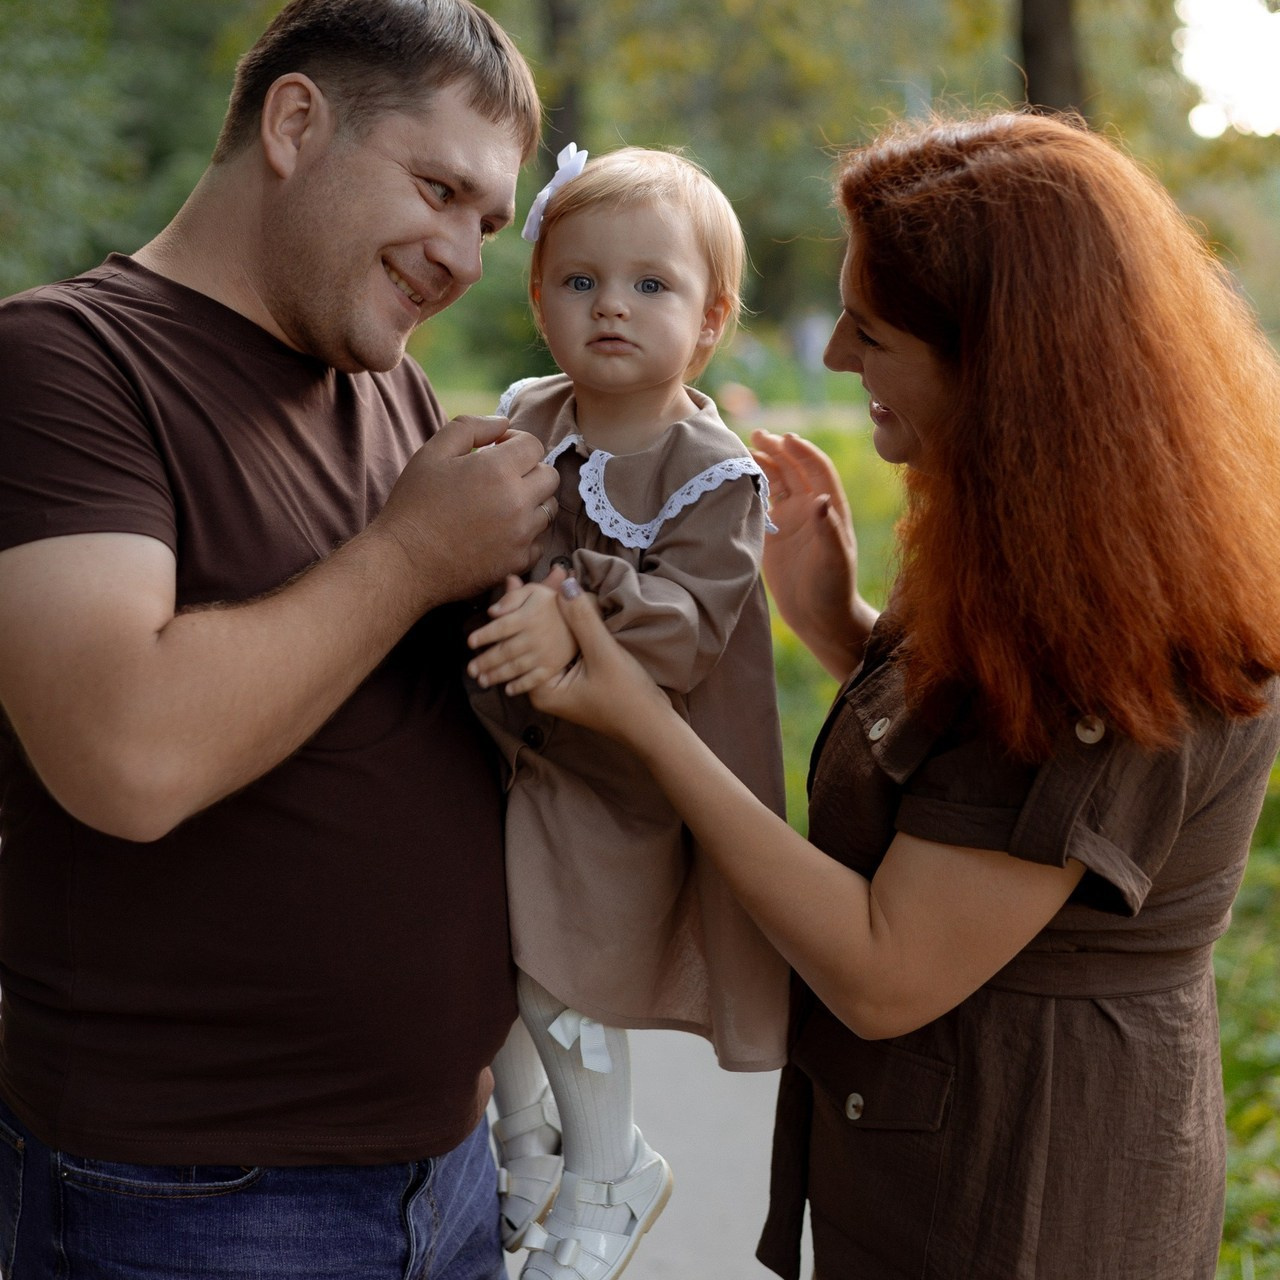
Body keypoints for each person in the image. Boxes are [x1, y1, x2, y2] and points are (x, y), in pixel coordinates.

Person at [520, 110, 1280, 1279]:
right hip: (924, 1163)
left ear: (1000, 360)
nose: (832, 361)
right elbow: (987, 766)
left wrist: (642, 719)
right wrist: (840, 626)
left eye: (869, 334)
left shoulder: (1114, 620)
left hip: (1023, 1200)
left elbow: (883, 969)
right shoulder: (1031, 527)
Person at [0, 2, 560, 1277]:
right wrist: (413, 553)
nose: (465, 257)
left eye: (486, 221)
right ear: (296, 123)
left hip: (446, 1176)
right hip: (191, 1200)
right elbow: (124, 752)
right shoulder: (65, 360)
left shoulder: (387, 387)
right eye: (438, 188)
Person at [464, 145, 790, 1280]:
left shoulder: (711, 471)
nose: (612, 305)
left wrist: (574, 606)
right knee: (479, 942)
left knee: (554, 959)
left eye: (652, 285)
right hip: (517, 741)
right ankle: (529, 1146)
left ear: (708, 322)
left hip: (620, 768)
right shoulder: (525, 413)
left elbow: (687, 630)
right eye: (580, 280)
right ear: (539, 298)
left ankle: (611, 1170)